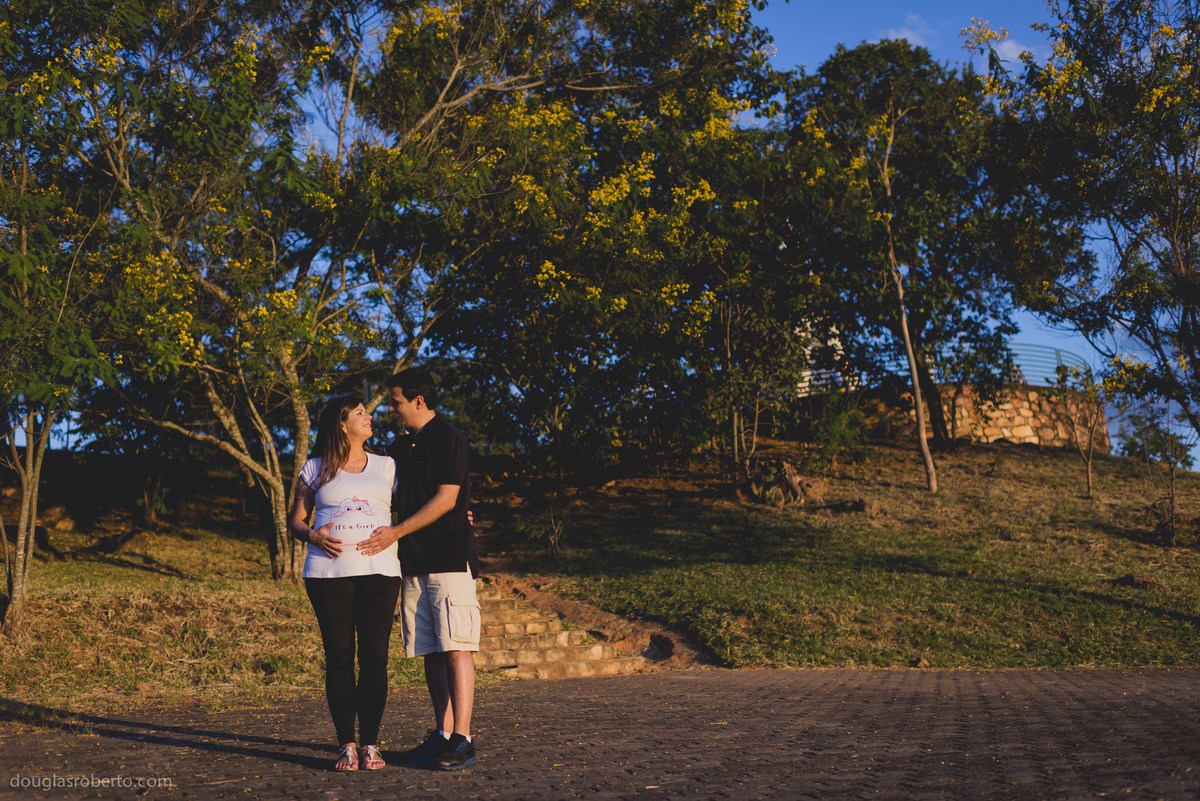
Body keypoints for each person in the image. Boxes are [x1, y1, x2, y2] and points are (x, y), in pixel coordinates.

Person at [358, 366, 480, 771]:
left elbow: (447, 499)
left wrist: (395, 531)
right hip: (412, 563)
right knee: (430, 650)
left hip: (448, 559)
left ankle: (464, 738)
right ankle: (443, 734)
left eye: (395, 402)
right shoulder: (398, 447)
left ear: (418, 401)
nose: (391, 409)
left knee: (456, 647)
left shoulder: (450, 439)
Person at [289, 395, 401, 772]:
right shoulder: (315, 468)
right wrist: (313, 536)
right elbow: (296, 521)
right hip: (327, 573)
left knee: (375, 657)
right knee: (338, 658)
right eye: (360, 413)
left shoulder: (387, 466)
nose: (368, 417)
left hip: (380, 571)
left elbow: (415, 507)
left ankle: (371, 744)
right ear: (341, 424)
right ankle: (347, 746)